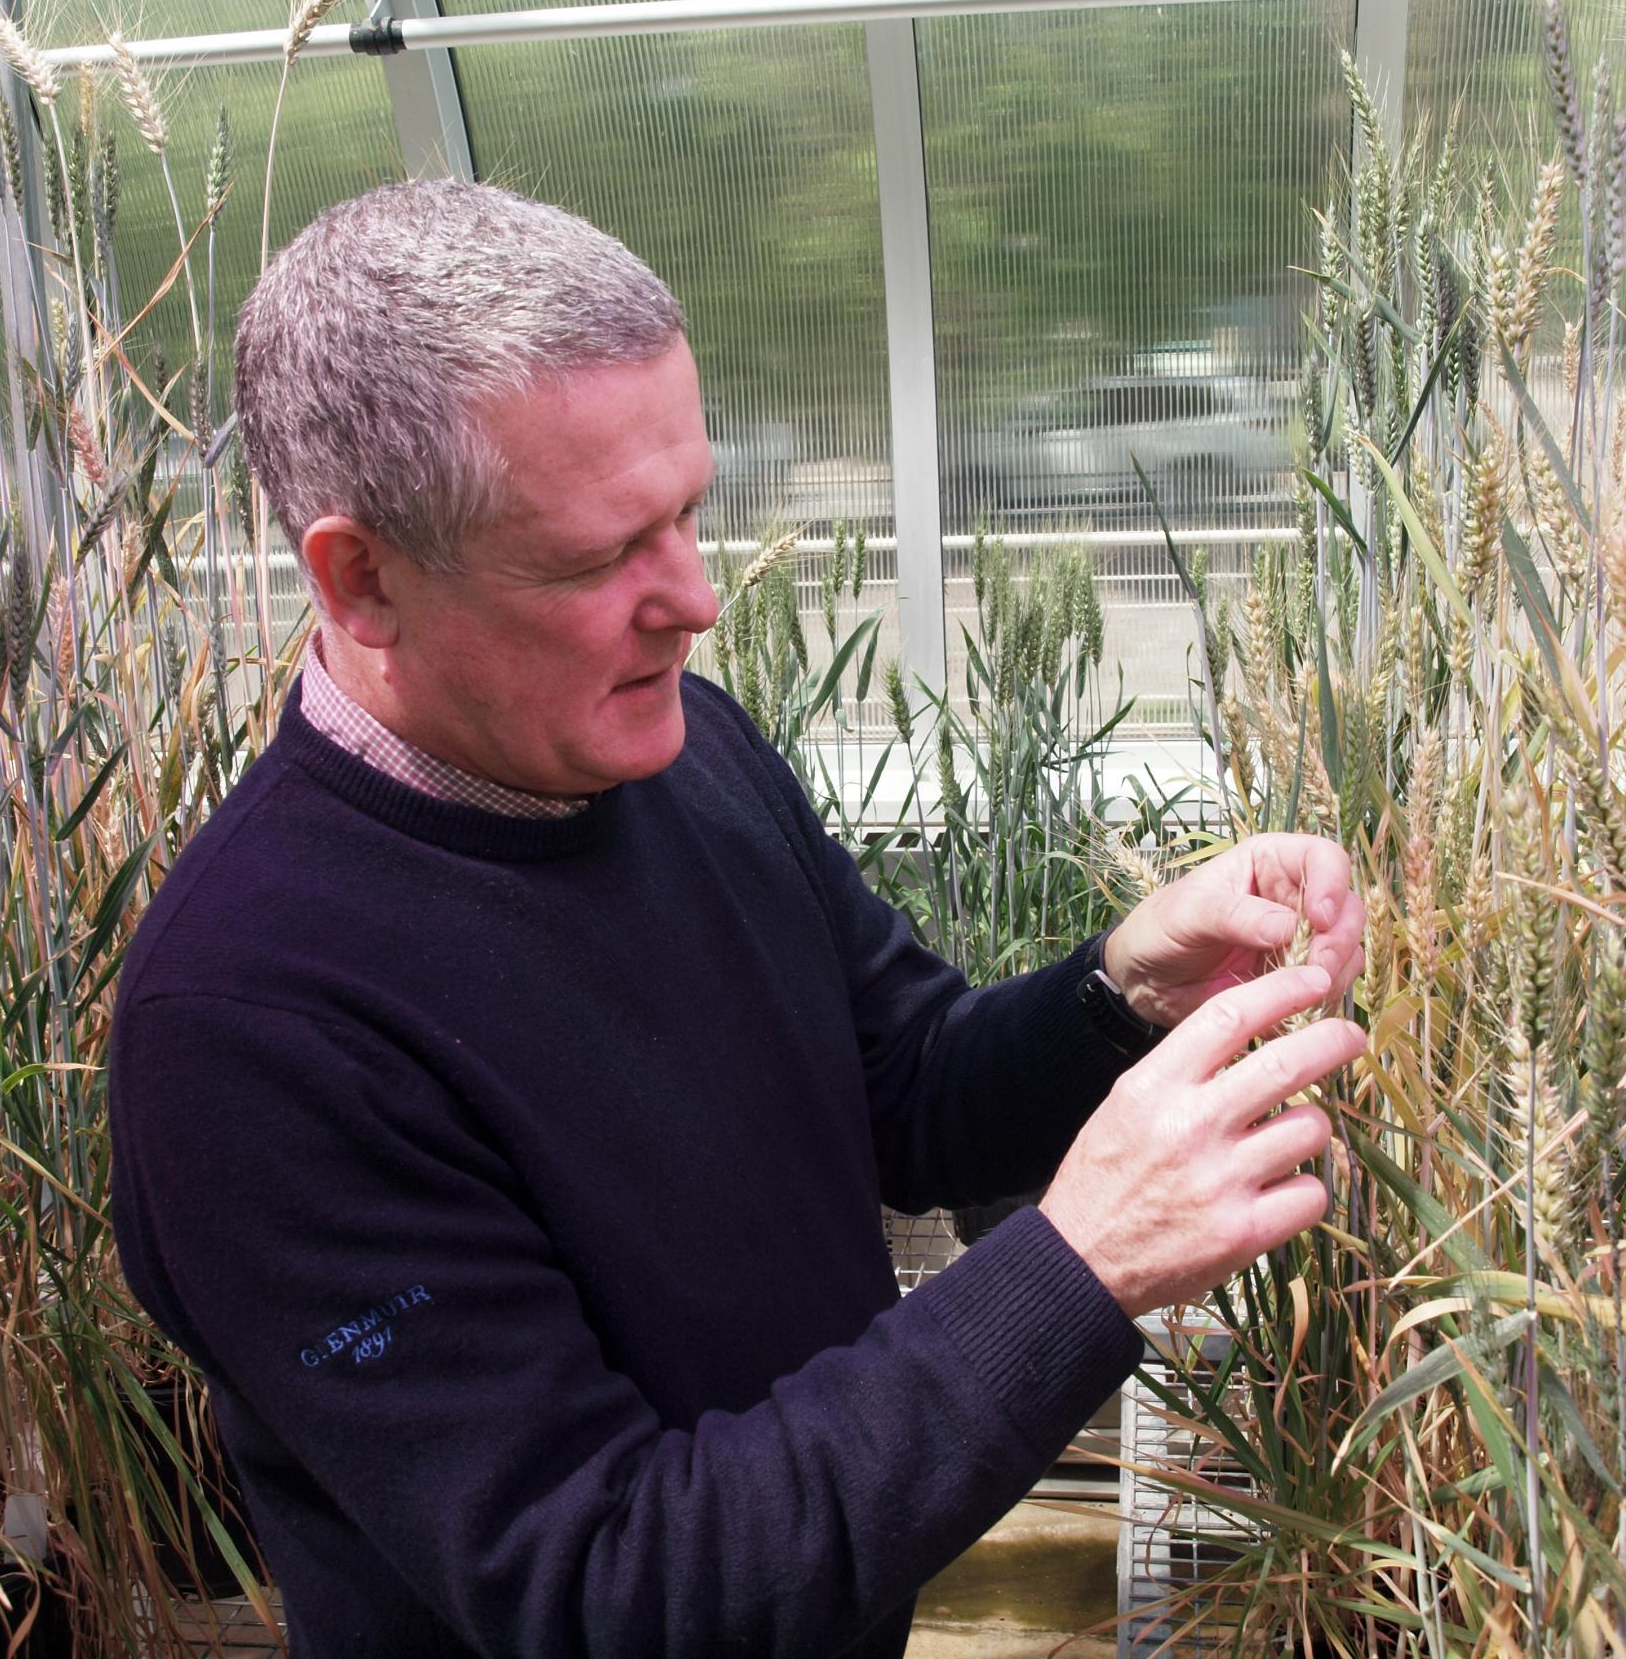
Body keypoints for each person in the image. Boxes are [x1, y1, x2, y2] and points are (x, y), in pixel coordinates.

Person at [107, 179, 1368, 1659]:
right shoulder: (254, 1033)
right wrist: (1077, 1267)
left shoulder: (680, 748)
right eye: (596, 558)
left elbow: (904, 1089)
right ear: (363, 577)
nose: (698, 598)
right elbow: (608, 1585)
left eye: (690, 514)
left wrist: (1117, 995)